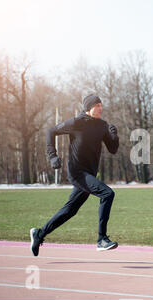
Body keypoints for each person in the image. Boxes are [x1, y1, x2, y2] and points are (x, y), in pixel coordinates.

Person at [30, 94, 119, 256]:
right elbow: (50, 131)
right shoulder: (77, 122)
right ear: (88, 107)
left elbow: (113, 149)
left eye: (101, 105)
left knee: (70, 210)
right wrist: (52, 156)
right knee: (107, 193)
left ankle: (39, 234)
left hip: (90, 173)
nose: (100, 108)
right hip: (77, 172)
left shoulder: (102, 125)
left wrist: (114, 136)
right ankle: (101, 239)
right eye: (97, 105)